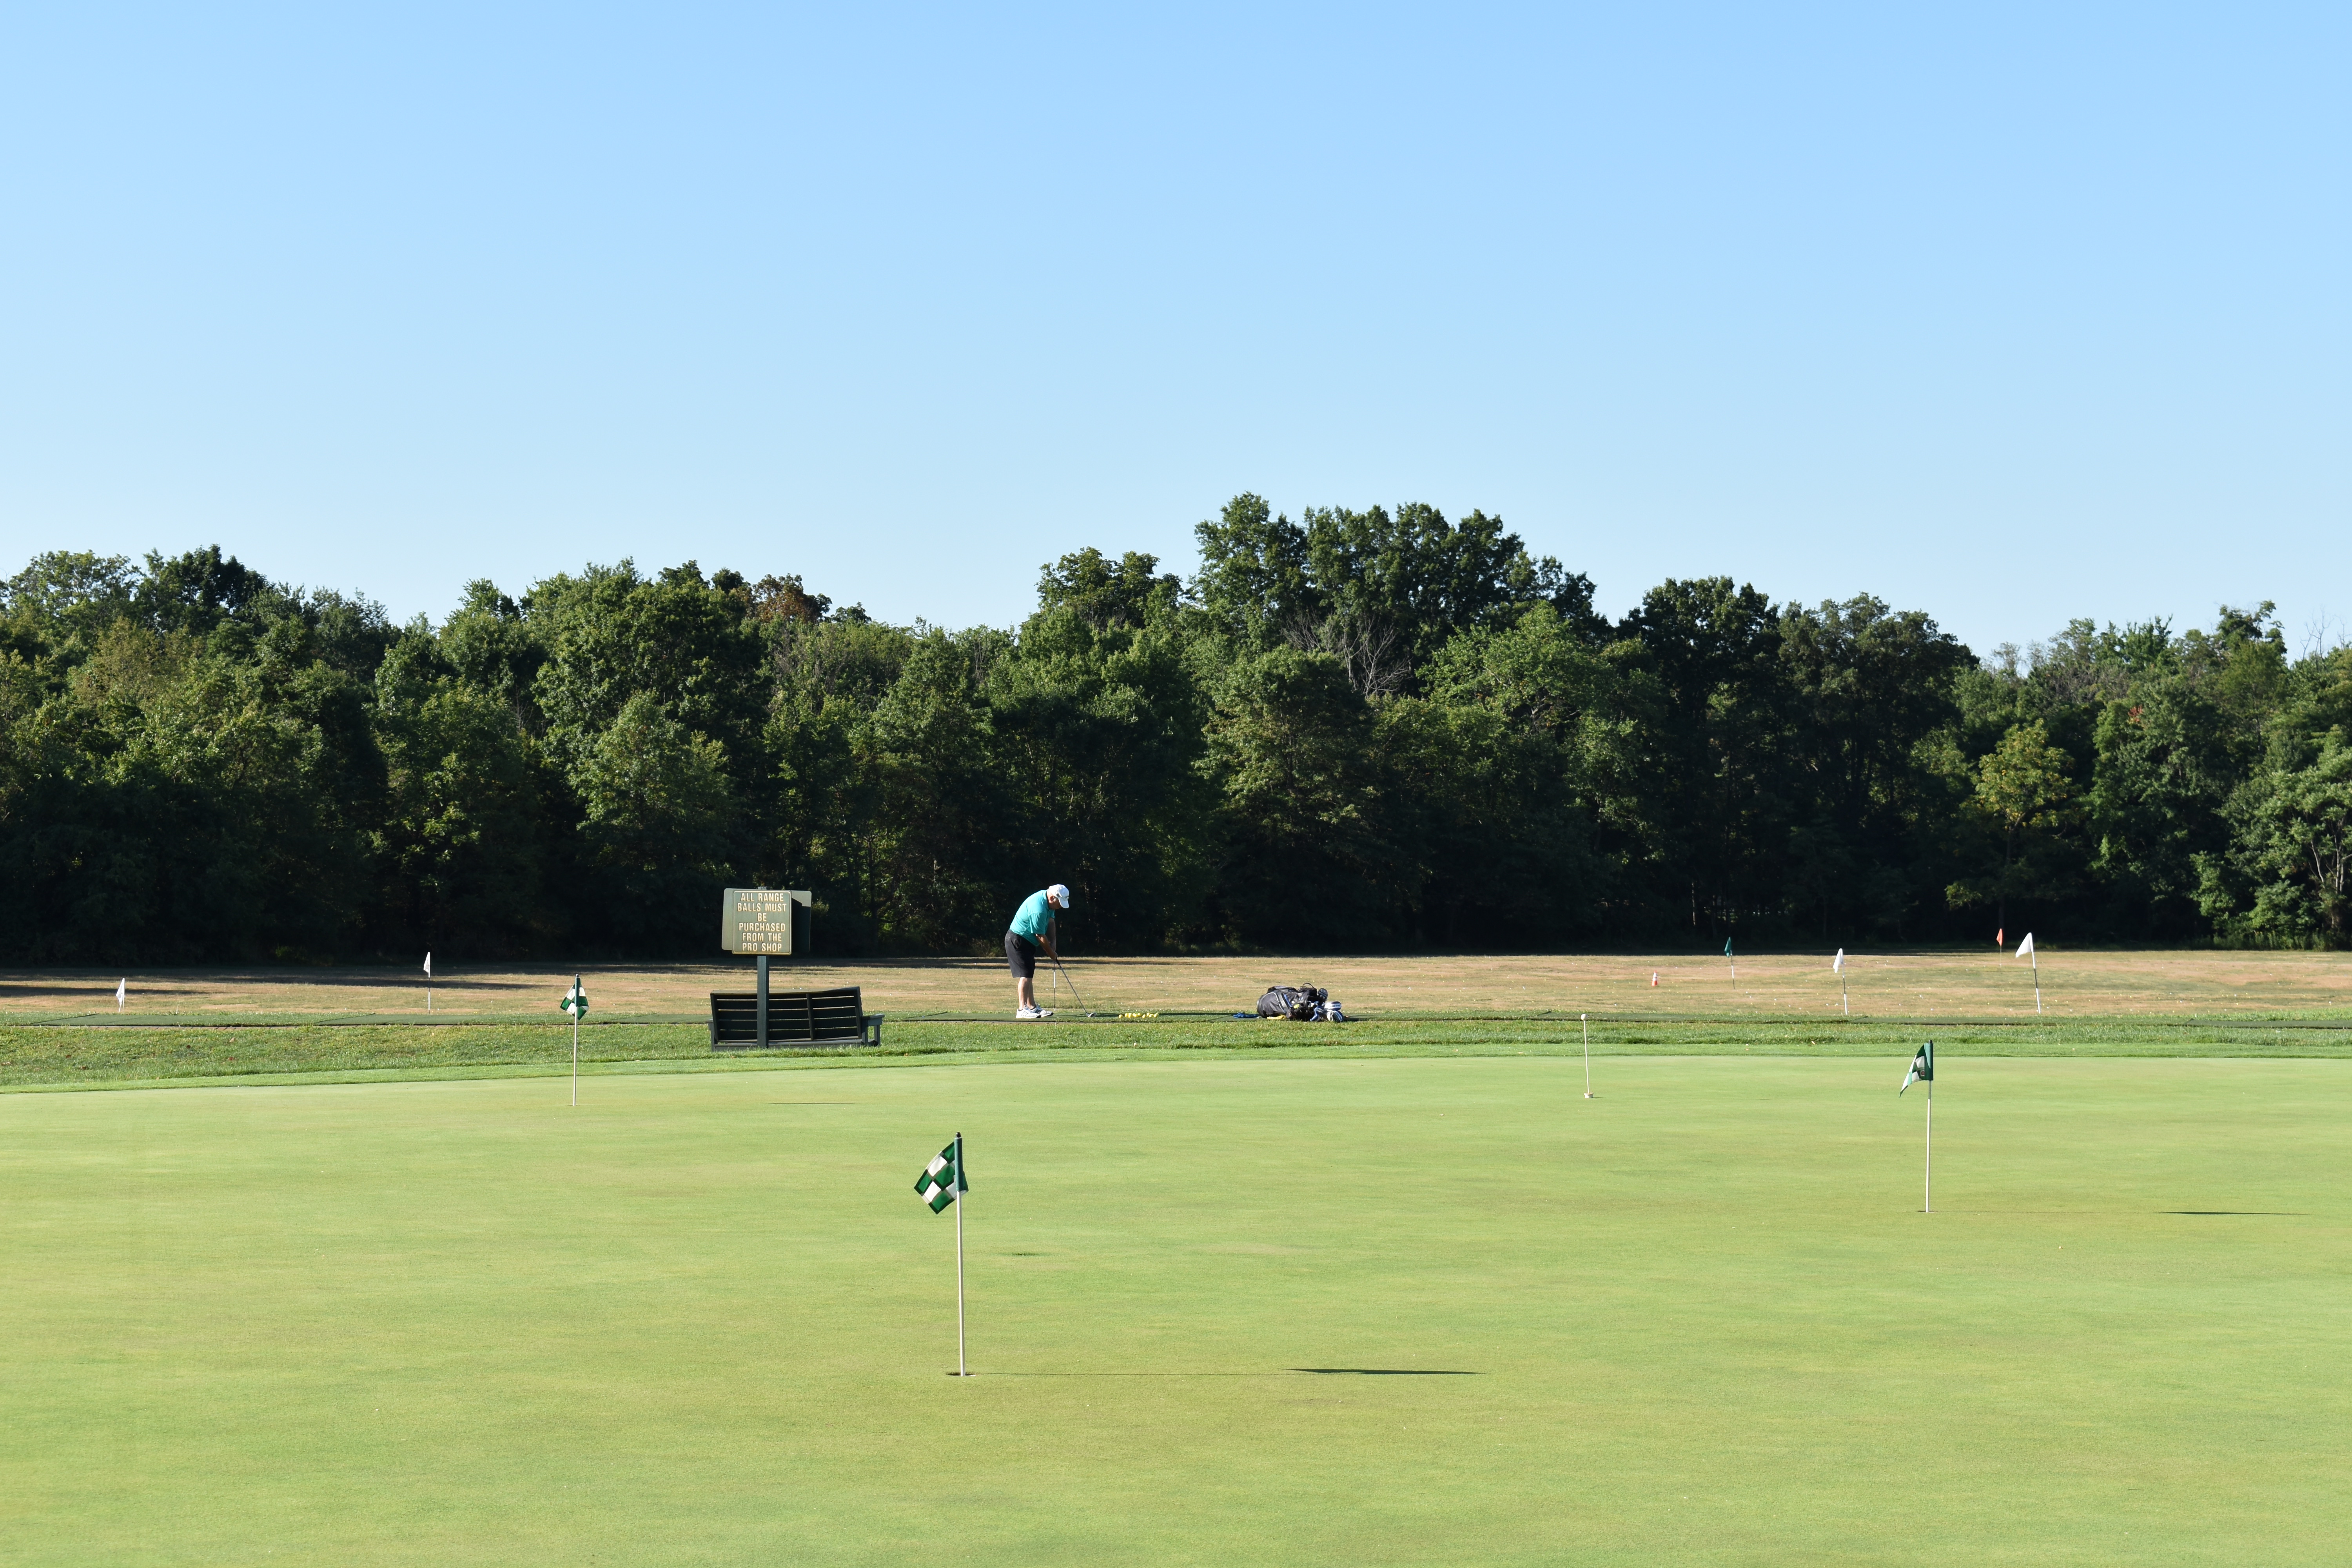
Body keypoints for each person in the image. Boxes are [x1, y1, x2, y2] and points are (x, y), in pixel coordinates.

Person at [1005, 884, 1071, 1019]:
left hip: (1027, 941)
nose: (1060, 907)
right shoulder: (1039, 908)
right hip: (1018, 939)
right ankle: (1022, 1009)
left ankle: (1032, 1007)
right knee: (1025, 974)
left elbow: (1051, 922)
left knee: (1029, 973)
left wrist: (1054, 943)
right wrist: (1051, 953)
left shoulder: (1049, 903)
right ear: (1053, 898)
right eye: (1059, 904)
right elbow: (1040, 935)